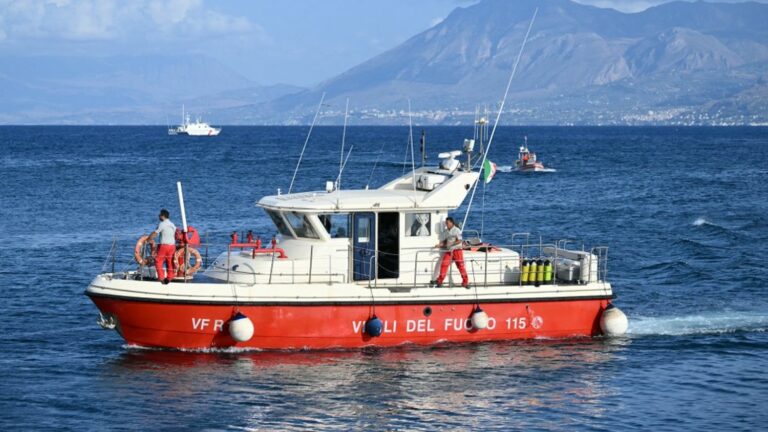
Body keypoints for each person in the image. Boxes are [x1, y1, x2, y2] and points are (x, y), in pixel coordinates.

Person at [432, 217, 469, 288]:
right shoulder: (447, 231)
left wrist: (451, 244)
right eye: (446, 223)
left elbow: (460, 240)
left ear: (452, 223)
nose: (446, 225)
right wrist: (439, 245)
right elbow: (445, 241)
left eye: (447, 223)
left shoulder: (457, 230)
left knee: (460, 266)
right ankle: (440, 281)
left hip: (457, 250)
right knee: (444, 264)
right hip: (449, 251)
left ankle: (465, 282)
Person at [148, 208, 176, 284]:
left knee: (158, 261)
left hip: (164, 246)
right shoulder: (172, 224)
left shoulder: (162, 224)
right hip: (172, 246)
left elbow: (155, 233)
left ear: (163, 216)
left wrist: (149, 238)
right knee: (170, 262)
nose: (158, 216)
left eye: (159, 215)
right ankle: (169, 277)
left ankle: (161, 278)